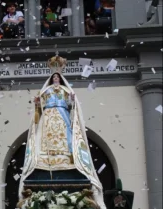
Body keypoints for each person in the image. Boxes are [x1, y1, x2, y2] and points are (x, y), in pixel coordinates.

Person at [18, 56, 107, 209]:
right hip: (48, 117)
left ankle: (68, 159)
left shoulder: (66, 90)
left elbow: (72, 108)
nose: (56, 79)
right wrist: (38, 104)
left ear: (61, 78)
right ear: (51, 78)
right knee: (46, 138)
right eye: (54, 77)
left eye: (58, 76)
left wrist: (72, 100)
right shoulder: (45, 91)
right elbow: (39, 111)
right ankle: (45, 160)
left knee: (65, 137)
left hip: (62, 116)